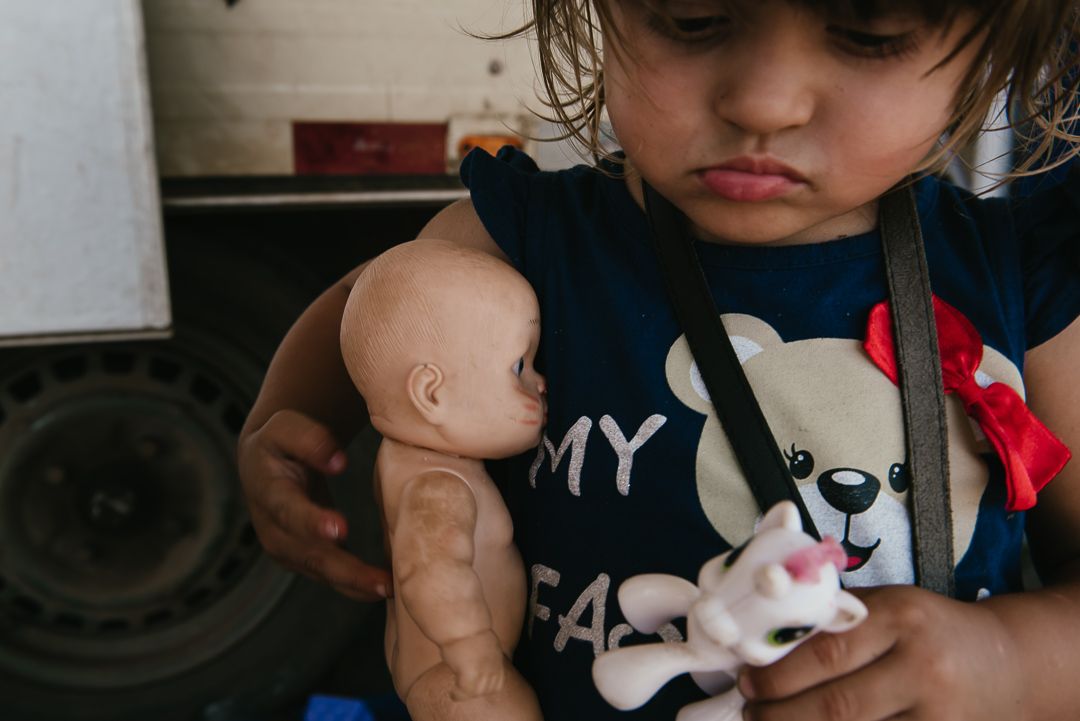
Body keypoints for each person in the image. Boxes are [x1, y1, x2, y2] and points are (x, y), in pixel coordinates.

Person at [238, 1, 1080, 719]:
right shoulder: (533, 238)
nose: (764, 102)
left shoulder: (1020, 281)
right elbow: (384, 295)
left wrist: (1010, 659)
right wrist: (291, 416)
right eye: (692, 18)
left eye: (871, 32)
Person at [338, 238, 544, 721]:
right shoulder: (439, 487)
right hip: (460, 675)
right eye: (518, 367)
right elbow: (430, 571)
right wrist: (469, 644)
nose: (539, 382)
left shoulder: (405, 457)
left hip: (434, 666)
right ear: (431, 393)